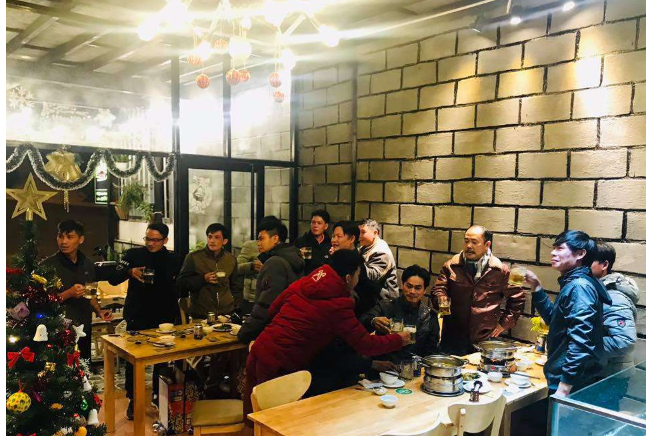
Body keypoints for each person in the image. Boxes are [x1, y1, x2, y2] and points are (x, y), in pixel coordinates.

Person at [243, 249, 411, 423]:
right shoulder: (338, 305)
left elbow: (273, 308)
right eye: (358, 274)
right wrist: (399, 339)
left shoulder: (309, 280)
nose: (358, 279)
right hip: (281, 363)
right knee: (274, 422)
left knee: (251, 418)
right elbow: (365, 344)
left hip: (260, 347)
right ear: (348, 277)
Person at [524, 230, 611, 397]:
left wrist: (564, 386)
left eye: (560, 248)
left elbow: (581, 340)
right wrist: (536, 286)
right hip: (571, 379)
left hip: (573, 384)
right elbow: (554, 321)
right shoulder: (575, 282)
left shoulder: (579, 287)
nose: (553, 253)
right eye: (554, 248)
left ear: (580, 254)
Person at [108, 222, 181, 420]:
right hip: (137, 314)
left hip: (164, 317)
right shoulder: (133, 255)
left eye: (155, 240)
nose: (150, 243)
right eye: (148, 238)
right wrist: (129, 271)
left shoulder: (173, 259)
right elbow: (113, 278)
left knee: (161, 360)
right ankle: (133, 399)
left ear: (165, 240)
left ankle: (158, 396)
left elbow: (182, 284)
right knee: (133, 360)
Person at [431, 226, 525, 355]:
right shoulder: (451, 266)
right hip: (452, 338)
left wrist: (504, 324)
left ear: (487, 245)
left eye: (474, 242)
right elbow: (438, 289)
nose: (469, 246)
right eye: (466, 241)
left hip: (484, 339)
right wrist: (442, 303)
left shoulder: (500, 270)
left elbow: (517, 298)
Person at [42, 220, 113, 361]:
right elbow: (42, 301)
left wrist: (99, 310)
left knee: (84, 366)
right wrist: (69, 293)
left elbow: (90, 293)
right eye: (60, 236)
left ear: (81, 239)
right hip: (58, 330)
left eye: (69, 237)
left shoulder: (87, 264)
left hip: (83, 327)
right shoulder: (47, 266)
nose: (64, 241)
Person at [237, 217, 304, 344]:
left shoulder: (275, 262)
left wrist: (245, 332)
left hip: (274, 330)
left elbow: (266, 304)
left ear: (275, 239)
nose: (258, 243)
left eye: (261, 239)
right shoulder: (292, 257)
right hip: (289, 327)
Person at [361, 265, 440, 363]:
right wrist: (373, 321)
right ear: (402, 285)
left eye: (418, 288)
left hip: (414, 367)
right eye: (409, 286)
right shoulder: (386, 306)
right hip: (384, 365)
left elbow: (431, 352)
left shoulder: (429, 316)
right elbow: (363, 320)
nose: (412, 291)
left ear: (425, 290)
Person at [591, 241, 639, 376]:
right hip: (602, 371)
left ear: (604, 265)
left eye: (589, 261)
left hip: (610, 376)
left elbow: (624, 341)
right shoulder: (598, 290)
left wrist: (582, 347)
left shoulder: (613, 296)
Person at [177, 223, 238, 319]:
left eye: (217, 237)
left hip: (226, 313)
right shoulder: (193, 257)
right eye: (210, 237)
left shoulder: (231, 259)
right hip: (201, 313)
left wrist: (236, 306)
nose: (212, 241)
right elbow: (181, 283)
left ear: (225, 241)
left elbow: (236, 286)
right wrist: (203, 278)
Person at [357, 219, 400, 316]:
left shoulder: (382, 251)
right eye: (358, 232)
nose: (359, 236)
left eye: (363, 232)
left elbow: (371, 276)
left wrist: (354, 259)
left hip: (385, 303)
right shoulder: (365, 246)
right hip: (372, 299)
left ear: (375, 233)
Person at [294, 209, 332, 276]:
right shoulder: (302, 242)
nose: (315, 226)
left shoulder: (330, 243)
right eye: (313, 222)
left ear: (326, 226)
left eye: (319, 223)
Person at [237, 239, 262, 315]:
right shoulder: (251, 245)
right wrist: (251, 266)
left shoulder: (279, 248)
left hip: (272, 295)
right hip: (252, 296)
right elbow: (236, 267)